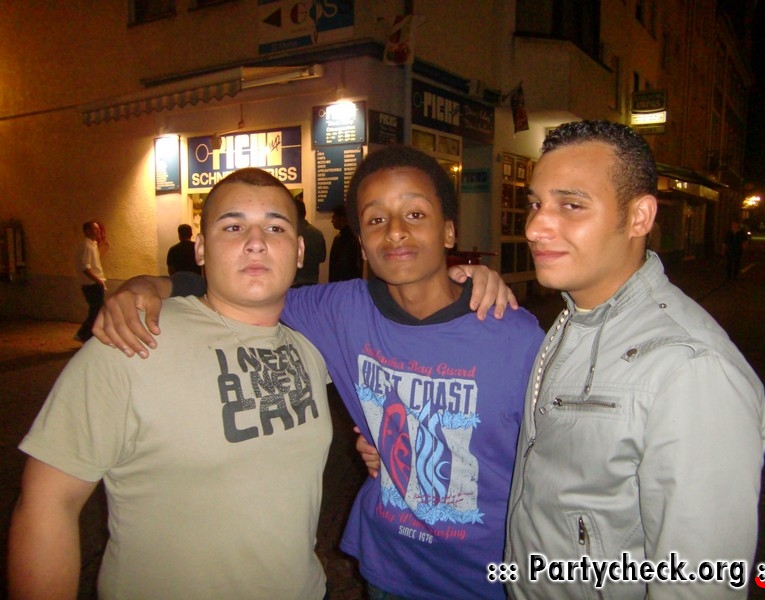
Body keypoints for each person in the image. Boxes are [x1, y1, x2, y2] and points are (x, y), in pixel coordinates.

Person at [93, 146, 544, 600]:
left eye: (415, 214)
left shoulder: (515, 336)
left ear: (448, 231)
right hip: (388, 566)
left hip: (493, 576)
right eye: (375, 220)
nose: (396, 232)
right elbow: (247, 290)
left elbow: (556, 469)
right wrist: (152, 284)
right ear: (361, 241)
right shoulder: (338, 310)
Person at [8, 169, 332, 599]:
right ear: (200, 249)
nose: (256, 242)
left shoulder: (313, 347)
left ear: (299, 251)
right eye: (232, 227)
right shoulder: (131, 342)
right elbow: (49, 502)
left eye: (275, 228)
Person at [504, 120, 765, 598]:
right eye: (536, 204)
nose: (535, 226)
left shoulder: (693, 370)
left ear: (639, 217)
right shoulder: (574, 320)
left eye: (571, 205)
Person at [74, 220, 107, 343]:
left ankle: (87, 334)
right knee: (96, 310)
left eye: (98, 229)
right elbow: (85, 267)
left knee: (96, 310)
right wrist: (97, 280)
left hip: (94, 283)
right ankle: (84, 334)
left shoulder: (92, 245)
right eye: (95, 229)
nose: (98, 231)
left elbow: (94, 262)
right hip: (91, 284)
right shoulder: (86, 246)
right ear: (87, 231)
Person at [293, 192, 327, 286]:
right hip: (312, 281)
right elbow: (322, 258)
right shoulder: (317, 233)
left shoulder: (289, 234)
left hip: (293, 283)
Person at [328, 203, 363, 281]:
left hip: (342, 281)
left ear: (342, 218)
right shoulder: (354, 236)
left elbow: (341, 266)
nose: (332, 221)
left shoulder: (343, 238)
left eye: (334, 217)